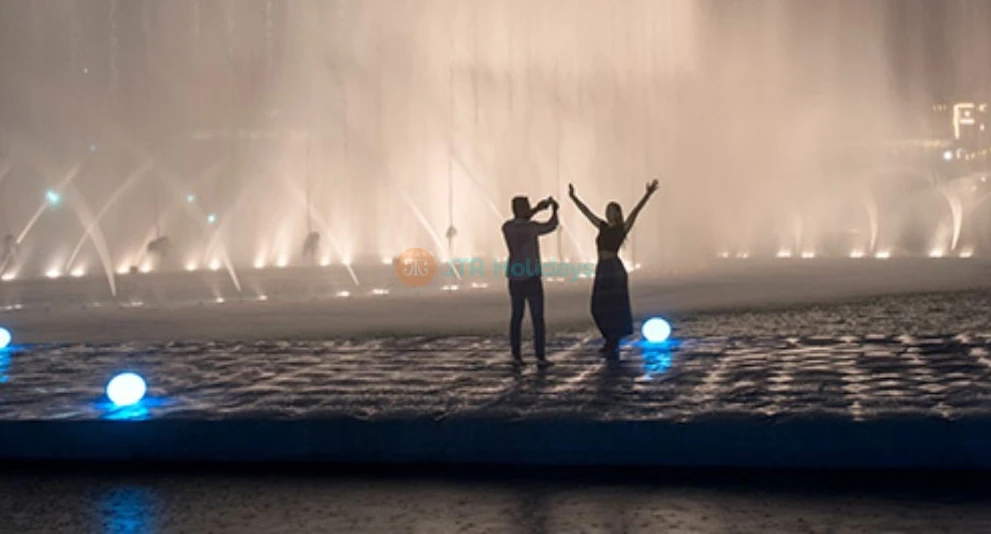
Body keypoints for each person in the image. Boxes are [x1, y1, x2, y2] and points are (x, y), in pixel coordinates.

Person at [569, 179, 660, 360]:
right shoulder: (602, 226)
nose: (609, 213)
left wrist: (647, 195)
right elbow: (586, 213)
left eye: (612, 210)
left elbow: (636, 212)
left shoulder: (622, 228)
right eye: (608, 210)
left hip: (614, 269)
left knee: (614, 307)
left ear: (618, 213)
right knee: (597, 306)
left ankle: (612, 341)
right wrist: (573, 197)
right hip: (602, 268)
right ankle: (610, 337)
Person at [502, 195, 559, 366]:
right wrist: (554, 210)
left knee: (517, 316)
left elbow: (522, 220)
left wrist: (537, 208)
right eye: (526, 206)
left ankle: (516, 355)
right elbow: (551, 225)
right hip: (532, 277)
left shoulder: (507, 227)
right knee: (537, 318)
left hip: (514, 277)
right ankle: (540, 357)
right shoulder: (532, 227)